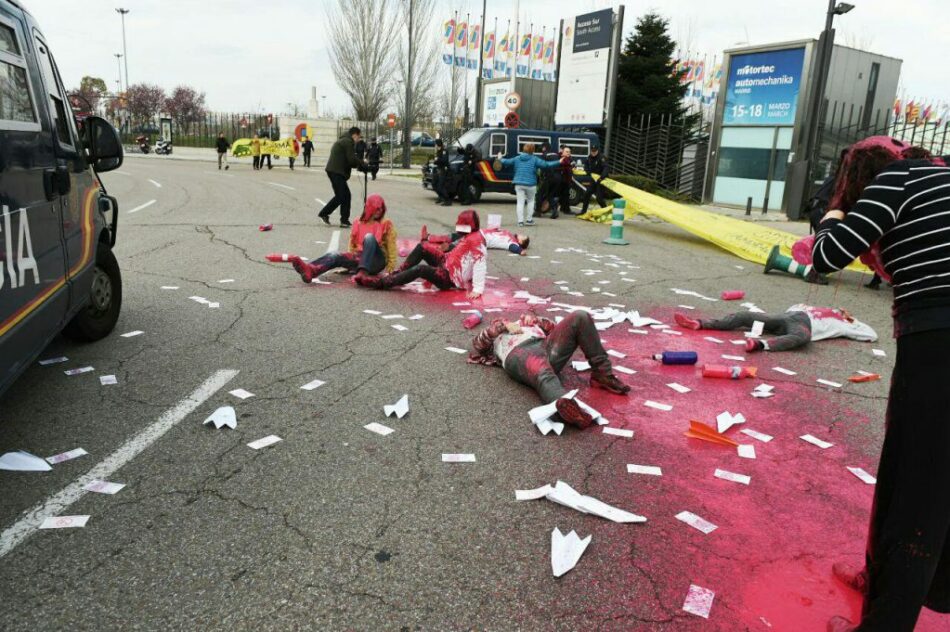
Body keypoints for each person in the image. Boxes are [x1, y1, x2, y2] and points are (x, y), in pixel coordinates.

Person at [809, 136, 950, 631]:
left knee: (912, 490)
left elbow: (828, 256)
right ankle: (898, 582)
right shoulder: (940, 179)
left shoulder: (895, 181)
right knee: (935, 480)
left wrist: (832, 220)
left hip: (937, 343)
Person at [467, 311, 631, 427]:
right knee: (542, 371)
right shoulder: (496, 339)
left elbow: (555, 329)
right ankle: (566, 407)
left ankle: (602, 373)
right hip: (518, 353)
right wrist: (500, 328)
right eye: (497, 321)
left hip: (544, 345)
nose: (503, 320)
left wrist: (536, 321)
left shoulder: (525, 324)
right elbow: (478, 345)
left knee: (580, 316)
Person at [356, 210, 485, 300]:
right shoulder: (469, 234)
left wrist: (478, 289)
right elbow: (457, 247)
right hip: (447, 262)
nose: (457, 224)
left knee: (421, 269)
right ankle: (399, 273)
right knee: (422, 247)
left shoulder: (476, 241)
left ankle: (383, 283)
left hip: (449, 278)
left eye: (460, 222)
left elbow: (480, 263)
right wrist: (434, 242)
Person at [275, 194, 397, 284]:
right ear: (369, 208)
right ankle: (311, 270)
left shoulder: (386, 223)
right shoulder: (357, 222)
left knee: (369, 238)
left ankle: (362, 272)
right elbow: (352, 245)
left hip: (377, 260)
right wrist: (348, 265)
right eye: (376, 208)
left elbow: (391, 246)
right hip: (360, 259)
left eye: (381, 208)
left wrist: (391, 268)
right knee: (335, 255)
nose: (379, 211)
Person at [674, 305, 877, 352]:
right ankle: (701, 323)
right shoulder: (829, 311)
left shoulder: (846, 323)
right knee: (747, 316)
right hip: (792, 317)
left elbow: (871, 335)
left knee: (801, 337)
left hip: (795, 321)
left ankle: (760, 344)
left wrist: (852, 320)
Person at [496, 143, 561, 227]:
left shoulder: (517, 158)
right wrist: (559, 161)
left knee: (520, 202)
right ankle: (529, 220)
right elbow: (546, 165)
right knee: (530, 201)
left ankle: (520, 222)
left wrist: (500, 157)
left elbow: (506, 162)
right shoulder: (535, 159)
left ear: (524, 149)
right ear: (533, 150)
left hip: (519, 183)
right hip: (531, 184)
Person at [319, 126, 364, 228]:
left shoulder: (344, 140)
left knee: (345, 195)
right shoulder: (348, 142)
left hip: (335, 171)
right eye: (358, 137)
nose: (358, 140)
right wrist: (362, 163)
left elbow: (349, 160)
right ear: (355, 135)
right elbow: (351, 159)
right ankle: (325, 214)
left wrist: (359, 164)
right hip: (336, 171)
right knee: (342, 195)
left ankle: (343, 220)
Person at [580, 146, 608, 213]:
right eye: (592, 151)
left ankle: (606, 211)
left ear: (597, 151)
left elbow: (606, 168)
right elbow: (586, 165)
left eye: (594, 151)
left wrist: (602, 177)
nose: (593, 153)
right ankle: (583, 211)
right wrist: (588, 172)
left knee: (599, 198)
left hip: (601, 179)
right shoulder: (589, 157)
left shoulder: (602, 157)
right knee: (587, 194)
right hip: (593, 179)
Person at [554, 146, 574, 217]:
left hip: (566, 180)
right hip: (561, 180)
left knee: (565, 195)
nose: (569, 153)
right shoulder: (562, 159)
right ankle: (563, 209)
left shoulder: (568, 159)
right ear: (563, 152)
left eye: (569, 152)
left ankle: (564, 208)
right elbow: (563, 166)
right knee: (559, 195)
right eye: (567, 152)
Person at [432, 139, 452, 206]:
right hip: (438, 169)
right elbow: (437, 160)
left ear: (438, 144)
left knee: (441, 186)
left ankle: (448, 200)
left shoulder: (444, 151)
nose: (435, 145)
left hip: (443, 170)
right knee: (434, 184)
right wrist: (435, 160)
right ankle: (440, 197)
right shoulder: (439, 150)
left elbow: (444, 160)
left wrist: (437, 160)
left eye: (436, 144)